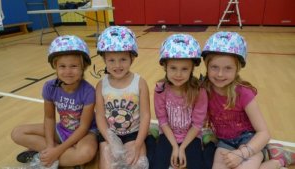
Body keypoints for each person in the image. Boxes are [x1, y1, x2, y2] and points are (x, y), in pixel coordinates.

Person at [201, 31, 295, 169]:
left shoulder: (243, 92)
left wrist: (241, 153)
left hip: (249, 140)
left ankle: (278, 160)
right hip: (224, 142)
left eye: (228, 68)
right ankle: (273, 159)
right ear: (206, 66)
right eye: (214, 67)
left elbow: (264, 133)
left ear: (237, 69)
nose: (220, 74)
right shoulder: (204, 90)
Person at [11, 35, 98, 168]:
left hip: (85, 133)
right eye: (62, 66)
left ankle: (41, 156)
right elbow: (49, 118)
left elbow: (83, 127)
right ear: (55, 66)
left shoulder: (88, 91)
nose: (68, 71)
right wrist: (51, 146)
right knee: (17, 133)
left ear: (83, 67)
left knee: (85, 153)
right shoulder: (49, 87)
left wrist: (57, 151)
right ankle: (59, 156)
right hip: (62, 129)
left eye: (74, 66)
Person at [95, 26, 151, 169]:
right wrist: (110, 140)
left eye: (123, 59)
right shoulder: (101, 85)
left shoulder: (140, 83)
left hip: (134, 134)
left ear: (132, 58)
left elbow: (145, 116)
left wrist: (138, 144)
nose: (117, 65)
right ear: (104, 59)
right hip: (110, 135)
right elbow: (100, 116)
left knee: (137, 165)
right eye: (111, 60)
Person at [153, 34, 207, 169]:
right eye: (173, 68)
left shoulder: (199, 91)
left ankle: (210, 143)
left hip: (191, 136)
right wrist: (174, 147)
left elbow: (197, 124)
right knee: (156, 165)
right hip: (168, 135)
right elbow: (163, 120)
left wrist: (181, 148)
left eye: (184, 69)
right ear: (165, 66)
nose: (178, 74)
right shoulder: (160, 89)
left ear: (192, 69)